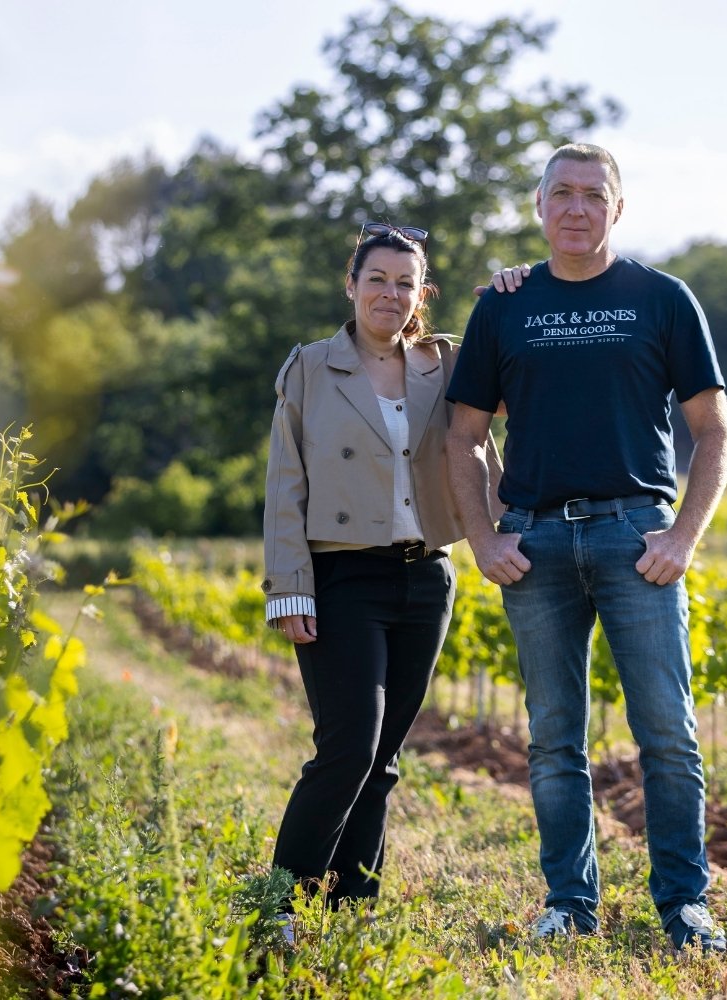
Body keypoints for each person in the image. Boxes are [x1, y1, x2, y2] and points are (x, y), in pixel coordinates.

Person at [445, 143, 727, 955]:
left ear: (619, 207)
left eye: (594, 195)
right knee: (552, 739)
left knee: (668, 734)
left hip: (636, 537)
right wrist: (484, 536)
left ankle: (686, 908)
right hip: (534, 544)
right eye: (563, 193)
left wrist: (684, 535)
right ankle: (570, 906)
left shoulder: (663, 298)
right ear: (539, 205)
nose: (578, 208)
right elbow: (464, 436)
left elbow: (714, 430)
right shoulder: (503, 305)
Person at [262, 221, 502, 928]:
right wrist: (289, 586)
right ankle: (278, 907)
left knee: (384, 759)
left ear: (423, 294)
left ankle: (349, 913)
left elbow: (515, 390)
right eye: (377, 279)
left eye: (405, 283)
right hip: (341, 577)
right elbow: (285, 484)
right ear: (352, 285)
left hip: (427, 579)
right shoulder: (310, 367)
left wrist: (515, 298)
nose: (390, 294)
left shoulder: (445, 364)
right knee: (348, 749)